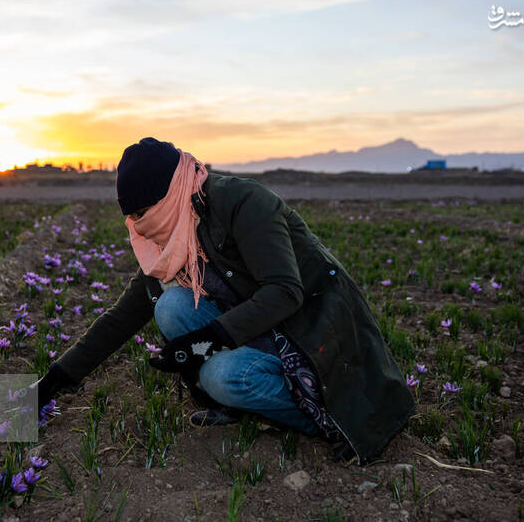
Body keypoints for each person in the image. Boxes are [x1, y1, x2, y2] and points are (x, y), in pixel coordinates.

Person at [36, 137, 415, 465]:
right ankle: (243, 403)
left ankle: (325, 418)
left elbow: (285, 291)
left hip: (313, 336)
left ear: (167, 195)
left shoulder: (242, 202)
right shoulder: (171, 239)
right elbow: (121, 318)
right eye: (130, 216)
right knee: (170, 305)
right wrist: (50, 384)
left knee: (223, 377)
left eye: (140, 213)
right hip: (261, 330)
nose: (136, 226)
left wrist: (207, 341)